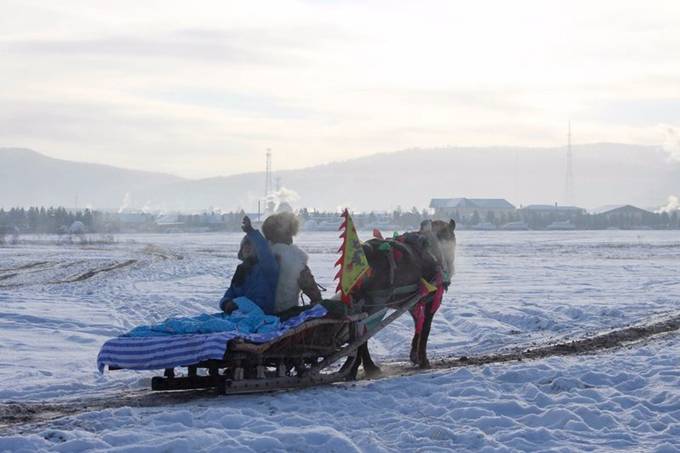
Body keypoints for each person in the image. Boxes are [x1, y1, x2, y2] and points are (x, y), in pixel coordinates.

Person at [261, 212, 322, 315]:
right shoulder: (298, 259)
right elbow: (314, 294)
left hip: (258, 315)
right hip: (287, 316)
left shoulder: (259, 255)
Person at [219, 216, 279, 315]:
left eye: (250, 244)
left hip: (261, 315)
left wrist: (251, 231)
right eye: (244, 245)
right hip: (240, 315)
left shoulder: (267, 267)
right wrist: (226, 303)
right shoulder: (240, 270)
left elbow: (264, 251)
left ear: (257, 249)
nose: (246, 247)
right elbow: (230, 293)